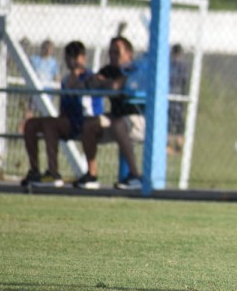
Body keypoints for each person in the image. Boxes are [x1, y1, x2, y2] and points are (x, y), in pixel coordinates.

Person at [20, 41, 103, 188]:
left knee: (50, 125)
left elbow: (91, 104)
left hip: (85, 121)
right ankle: (35, 171)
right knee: (31, 125)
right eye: (68, 57)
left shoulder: (90, 77)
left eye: (75, 57)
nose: (71, 61)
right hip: (69, 121)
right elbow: (64, 109)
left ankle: (53, 173)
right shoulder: (65, 79)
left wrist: (79, 84)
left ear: (83, 58)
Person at [74, 36, 146, 190]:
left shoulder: (135, 69)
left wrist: (106, 84)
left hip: (140, 120)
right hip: (117, 119)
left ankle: (136, 176)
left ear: (128, 54)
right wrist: (105, 83)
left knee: (118, 125)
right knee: (89, 125)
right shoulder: (108, 70)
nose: (112, 55)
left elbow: (115, 86)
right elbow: (91, 83)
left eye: (117, 52)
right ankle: (91, 175)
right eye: (111, 52)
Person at [20, 39, 61, 130]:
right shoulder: (34, 59)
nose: (47, 50)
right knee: (29, 114)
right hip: (34, 91)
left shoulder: (53, 63)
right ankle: (21, 133)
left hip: (48, 94)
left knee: (46, 116)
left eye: (49, 48)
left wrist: (56, 88)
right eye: (46, 48)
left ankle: (45, 133)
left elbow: (57, 77)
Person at [167, 44, 189, 155]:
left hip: (169, 97)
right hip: (178, 97)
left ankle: (170, 147)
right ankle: (177, 148)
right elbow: (184, 82)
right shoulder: (182, 66)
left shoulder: (168, 65)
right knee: (177, 124)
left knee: (170, 124)